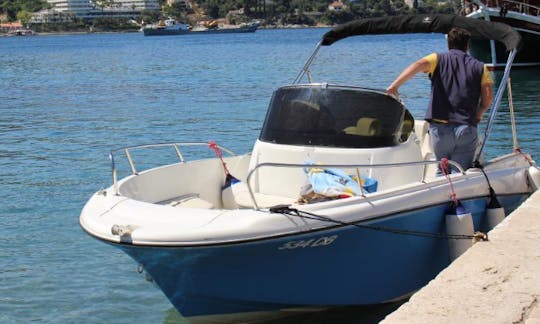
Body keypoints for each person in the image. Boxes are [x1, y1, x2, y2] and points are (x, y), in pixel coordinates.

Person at [386, 27, 493, 174]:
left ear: (448, 44)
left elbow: (417, 65)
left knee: (442, 172)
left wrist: (394, 86)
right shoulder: (481, 67)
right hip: (466, 128)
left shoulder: (437, 59)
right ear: (467, 45)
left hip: (440, 130)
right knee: (460, 174)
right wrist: (480, 112)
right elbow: (488, 98)